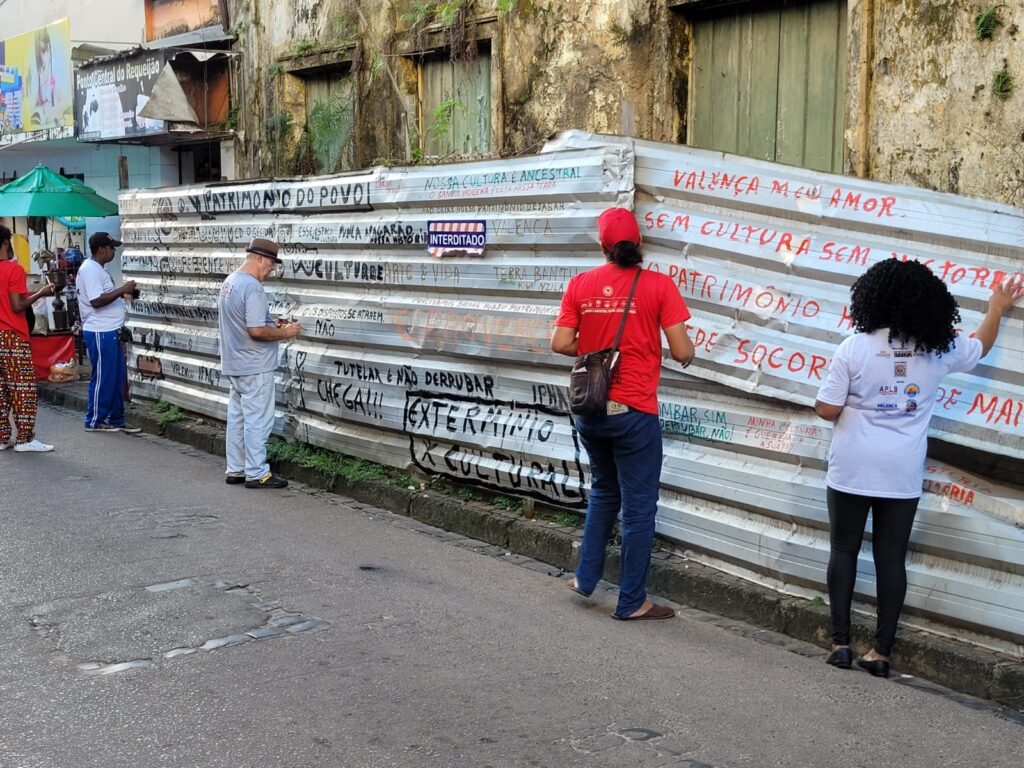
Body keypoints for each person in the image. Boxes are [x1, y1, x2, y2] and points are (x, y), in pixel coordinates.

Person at [815, 258, 1023, 678]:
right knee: (891, 560)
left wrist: (854, 404)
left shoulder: (853, 347)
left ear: (872, 297)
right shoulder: (939, 348)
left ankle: (840, 644)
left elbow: (826, 408)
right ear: (930, 302)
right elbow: (979, 346)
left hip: (852, 466)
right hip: (901, 471)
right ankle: (881, 652)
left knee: (843, 550)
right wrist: (997, 309)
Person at [551, 208, 696, 620]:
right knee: (637, 508)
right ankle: (632, 601)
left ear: (602, 247)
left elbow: (561, 343)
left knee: (603, 490)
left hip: (591, 408)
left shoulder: (581, 284)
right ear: (640, 245)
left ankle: (585, 577)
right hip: (634, 412)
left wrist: (593, 340)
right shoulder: (658, 286)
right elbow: (682, 351)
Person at [218, 238, 300, 489]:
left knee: (238, 417)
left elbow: (246, 321)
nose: (271, 269)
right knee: (258, 420)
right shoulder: (252, 287)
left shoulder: (230, 282)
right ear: (260, 258)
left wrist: (270, 322)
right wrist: (287, 332)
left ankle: (236, 469)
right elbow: (255, 331)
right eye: (271, 264)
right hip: (255, 364)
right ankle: (256, 472)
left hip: (235, 362)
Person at [77, 232, 140, 434]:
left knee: (116, 376)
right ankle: (95, 419)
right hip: (100, 330)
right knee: (104, 377)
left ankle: (115, 417)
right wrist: (122, 289)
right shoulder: (91, 270)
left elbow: (106, 297)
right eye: (112, 247)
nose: (114, 251)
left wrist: (124, 293)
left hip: (110, 330)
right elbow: (96, 300)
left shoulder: (97, 270)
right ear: (102, 249)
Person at [0, 224, 55, 452]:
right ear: (5, 243)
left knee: (1, 389)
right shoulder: (13, 270)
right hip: (12, 335)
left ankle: (2, 437)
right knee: (23, 387)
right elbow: (17, 305)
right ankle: (24, 438)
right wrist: (41, 292)